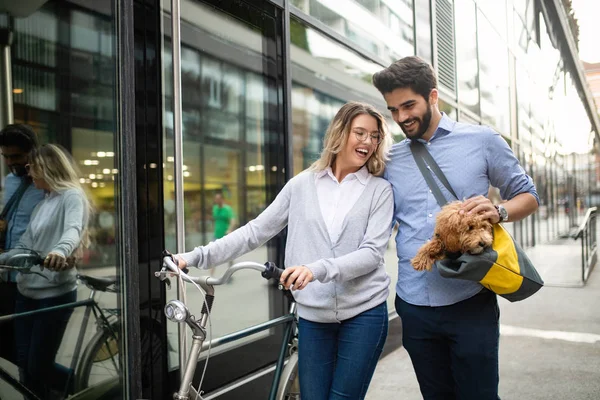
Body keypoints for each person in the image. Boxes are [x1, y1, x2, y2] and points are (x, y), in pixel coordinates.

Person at [175, 102, 394, 400]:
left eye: (375, 136)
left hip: (364, 313)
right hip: (314, 316)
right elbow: (254, 231)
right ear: (340, 133)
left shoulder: (379, 191)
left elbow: (371, 254)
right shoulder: (302, 185)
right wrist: (194, 257)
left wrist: (314, 269)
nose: (368, 142)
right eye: (360, 133)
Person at [372, 56, 539, 400]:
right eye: (393, 110)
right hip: (414, 304)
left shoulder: (482, 140)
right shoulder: (391, 159)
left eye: (408, 105)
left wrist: (500, 211)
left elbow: (528, 196)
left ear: (433, 97)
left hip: (470, 300)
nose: (401, 118)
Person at [0, 143, 92, 398]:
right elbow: (25, 244)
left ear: (46, 167)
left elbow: (72, 230)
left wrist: (60, 251)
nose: (29, 173)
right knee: (26, 367)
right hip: (26, 292)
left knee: (38, 366)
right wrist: (4, 259)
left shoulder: (71, 196)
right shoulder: (44, 203)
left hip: (54, 293)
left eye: (32, 167)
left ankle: (83, 390)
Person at [0, 124, 45, 365]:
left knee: (26, 351)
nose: (10, 162)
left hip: (33, 277)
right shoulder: (9, 181)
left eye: (16, 156)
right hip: (7, 275)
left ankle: (63, 384)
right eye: (5, 156)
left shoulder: (46, 184)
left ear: (32, 152)